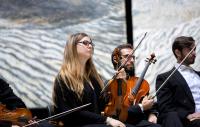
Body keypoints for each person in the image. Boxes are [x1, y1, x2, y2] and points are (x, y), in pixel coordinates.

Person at [52, 32, 130, 127]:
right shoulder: (63, 78)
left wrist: (120, 82)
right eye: (85, 43)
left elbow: (104, 105)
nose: (90, 46)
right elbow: (72, 114)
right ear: (72, 47)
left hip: (97, 123)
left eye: (91, 43)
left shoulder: (94, 77)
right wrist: (107, 120)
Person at [103, 44, 161, 127]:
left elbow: (148, 103)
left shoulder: (140, 82)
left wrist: (152, 113)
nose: (132, 60)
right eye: (127, 56)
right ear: (116, 59)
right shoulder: (109, 85)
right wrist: (141, 107)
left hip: (139, 121)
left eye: (133, 57)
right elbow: (116, 113)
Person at [155, 36, 200, 127]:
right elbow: (165, 107)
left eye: (194, 49)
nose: (194, 53)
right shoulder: (164, 78)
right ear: (178, 52)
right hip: (189, 120)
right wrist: (187, 115)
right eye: (190, 50)